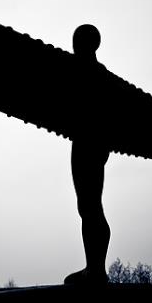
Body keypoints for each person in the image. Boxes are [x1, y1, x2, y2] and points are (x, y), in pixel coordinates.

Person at [64, 24, 111, 286]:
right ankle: (94, 267)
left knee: (90, 206)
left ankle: (95, 270)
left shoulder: (82, 70)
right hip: (93, 143)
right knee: (89, 205)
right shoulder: (99, 73)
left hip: (87, 143)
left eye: (75, 41)